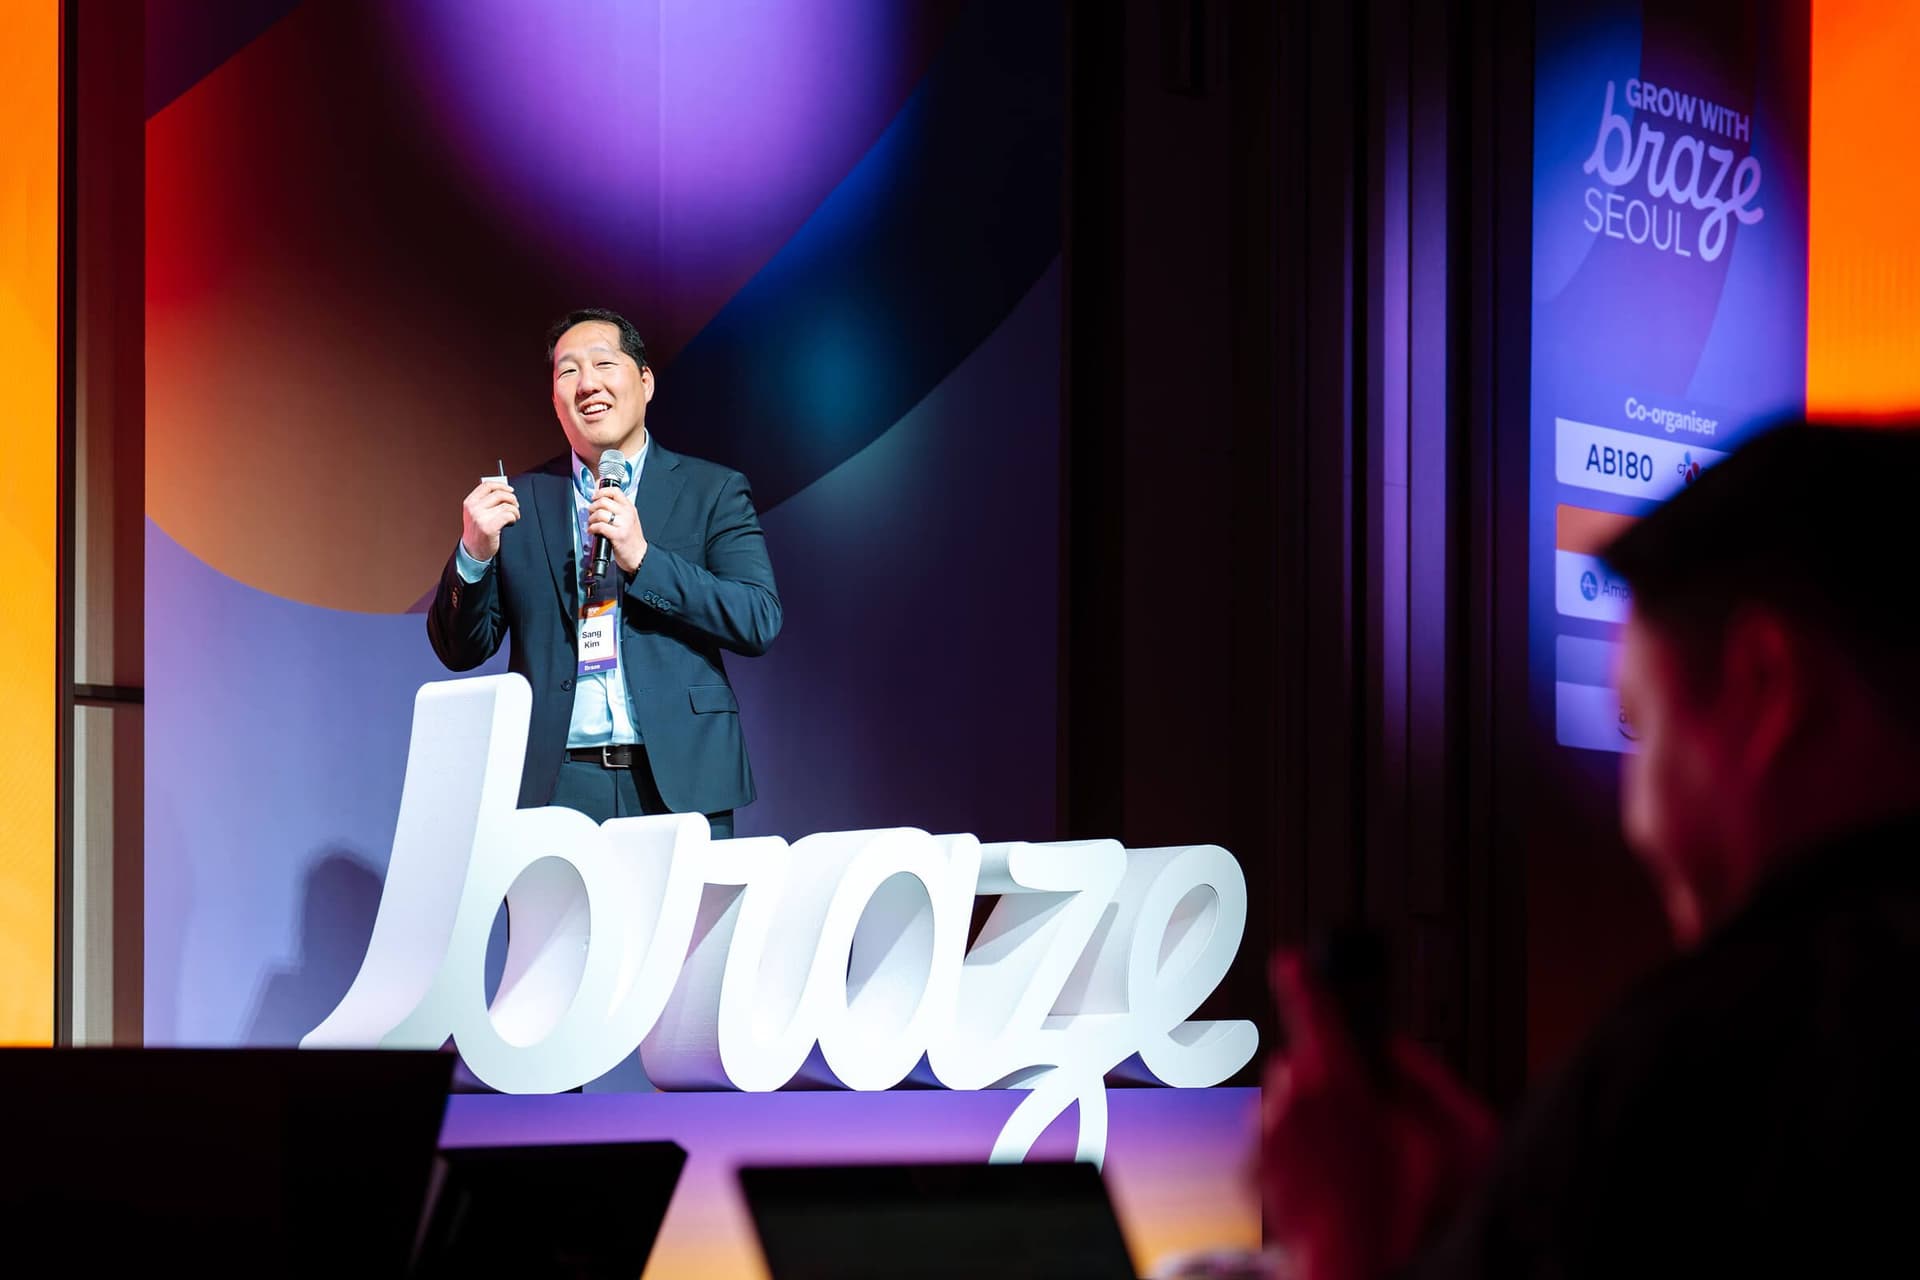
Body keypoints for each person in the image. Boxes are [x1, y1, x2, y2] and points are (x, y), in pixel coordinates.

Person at [1262, 418, 1920, 1279]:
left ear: (1766, 687)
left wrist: (1343, 1239)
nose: (1633, 816)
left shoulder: (1708, 1078)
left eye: (1640, 727)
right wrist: (1514, 1190)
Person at [427, 308, 780, 838]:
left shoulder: (713, 491)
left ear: (645, 382)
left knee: (687, 927)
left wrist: (645, 559)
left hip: (681, 783)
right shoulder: (521, 504)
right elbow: (461, 650)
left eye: (603, 364)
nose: (587, 383)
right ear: (555, 400)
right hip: (556, 785)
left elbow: (757, 618)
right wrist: (473, 554)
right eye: (568, 372)